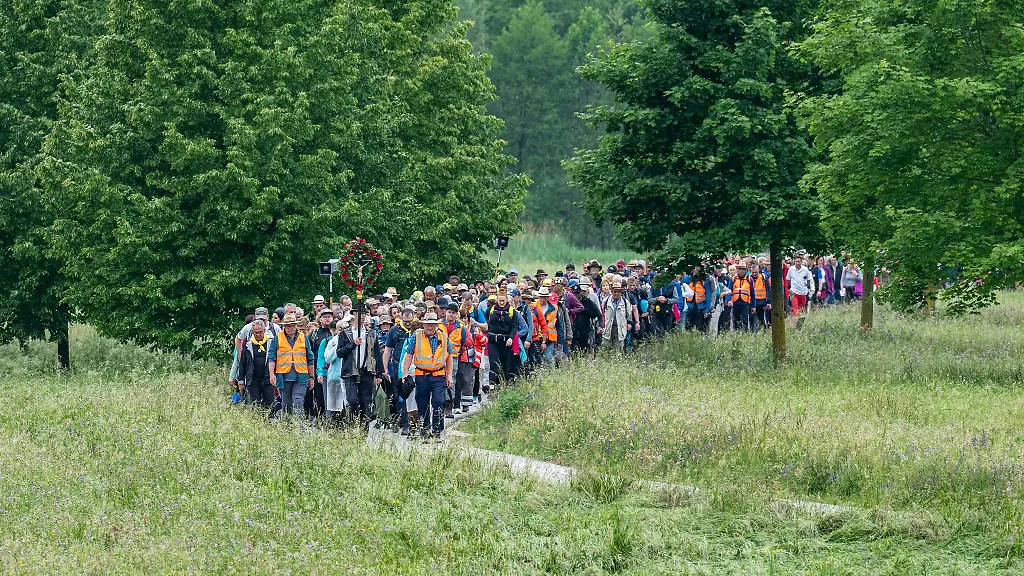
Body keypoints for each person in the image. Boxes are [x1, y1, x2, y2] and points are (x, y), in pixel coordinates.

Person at [401, 312, 453, 439]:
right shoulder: (416, 336)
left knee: (438, 402)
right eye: (427, 325)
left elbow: (449, 356)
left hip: (439, 375)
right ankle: (425, 429)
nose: (429, 327)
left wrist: (449, 375)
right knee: (422, 403)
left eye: (432, 325)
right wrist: (405, 373)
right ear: (423, 325)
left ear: (436, 325)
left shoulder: (444, 337)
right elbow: (409, 355)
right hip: (421, 375)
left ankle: (437, 431)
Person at [268, 313, 315, 415]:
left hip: (301, 376)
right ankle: (287, 427)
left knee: (298, 400)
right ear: (284, 326)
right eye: (288, 326)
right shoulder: (278, 338)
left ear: (296, 325)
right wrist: (272, 374)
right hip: (283, 376)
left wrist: (311, 377)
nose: (290, 328)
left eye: (293, 325)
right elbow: (271, 357)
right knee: (286, 403)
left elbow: (310, 358)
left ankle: (300, 427)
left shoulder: (304, 337)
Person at [382, 306, 417, 434]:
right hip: (398, 367)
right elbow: (387, 350)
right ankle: (404, 423)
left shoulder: (417, 330)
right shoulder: (394, 331)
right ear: (400, 318)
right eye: (405, 321)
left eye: (410, 321)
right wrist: (385, 368)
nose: (408, 324)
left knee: (415, 395)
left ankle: (414, 421)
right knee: (401, 395)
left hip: (416, 366)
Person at [344, 313, 382, 425]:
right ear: (354, 315)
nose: (362, 316)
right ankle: (353, 420)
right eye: (359, 313)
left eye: (364, 314)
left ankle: (364, 427)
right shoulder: (346, 333)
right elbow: (340, 353)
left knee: (366, 400)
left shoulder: (371, 333)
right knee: (352, 400)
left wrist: (379, 372)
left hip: (366, 370)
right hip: (351, 371)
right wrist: (352, 344)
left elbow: (376, 353)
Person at [236, 319, 275, 412]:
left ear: (264, 330)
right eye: (255, 332)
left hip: (267, 379)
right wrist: (240, 381)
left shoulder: (271, 343)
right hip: (253, 380)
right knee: (255, 405)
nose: (258, 334)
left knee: (270, 405)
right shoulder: (248, 345)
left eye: (260, 332)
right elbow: (242, 364)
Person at [486, 289, 519, 385]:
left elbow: (514, 326)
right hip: (493, 340)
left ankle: (504, 384)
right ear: (497, 300)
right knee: (493, 363)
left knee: (505, 364)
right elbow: (487, 322)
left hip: (506, 341)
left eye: (503, 301)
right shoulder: (490, 310)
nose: (501, 303)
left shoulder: (512, 312)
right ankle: (491, 384)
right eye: (499, 301)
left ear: (506, 300)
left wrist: (511, 338)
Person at [320, 319, 350, 419]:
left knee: (347, 405)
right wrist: (338, 346)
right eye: (341, 330)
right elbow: (328, 358)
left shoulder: (351, 340)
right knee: (335, 407)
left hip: (348, 376)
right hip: (335, 376)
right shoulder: (332, 342)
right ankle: (334, 427)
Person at [600, 280, 631, 353]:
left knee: (618, 349)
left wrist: (629, 324)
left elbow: (629, 315)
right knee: (605, 347)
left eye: (618, 292)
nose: (616, 294)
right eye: (615, 291)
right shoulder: (606, 301)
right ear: (612, 291)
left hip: (620, 327)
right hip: (608, 327)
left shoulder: (625, 302)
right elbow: (601, 314)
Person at [731, 264, 754, 331]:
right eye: (740, 269)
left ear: (746, 270)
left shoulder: (749, 279)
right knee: (736, 321)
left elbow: (752, 293)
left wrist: (753, 306)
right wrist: (729, 300)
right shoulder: (733, 279)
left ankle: (745, 335)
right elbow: (729, 290)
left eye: (743, 269)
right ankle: (737, 335)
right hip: (735, 304)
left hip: (745, 304)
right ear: (737, 270)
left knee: (745, 321)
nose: (741, 271)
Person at [749, 264, 771, 330]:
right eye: (753, 272)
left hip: (762, 301)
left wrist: (769, 301)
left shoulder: (763, 278)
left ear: (758, 271)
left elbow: (768, 289)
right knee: (751, 317)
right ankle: (753, 330)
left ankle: (764, 330)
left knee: (762, 318)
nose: (754, 274)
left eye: (756, 272)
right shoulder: (748, 278)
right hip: (752, 301)